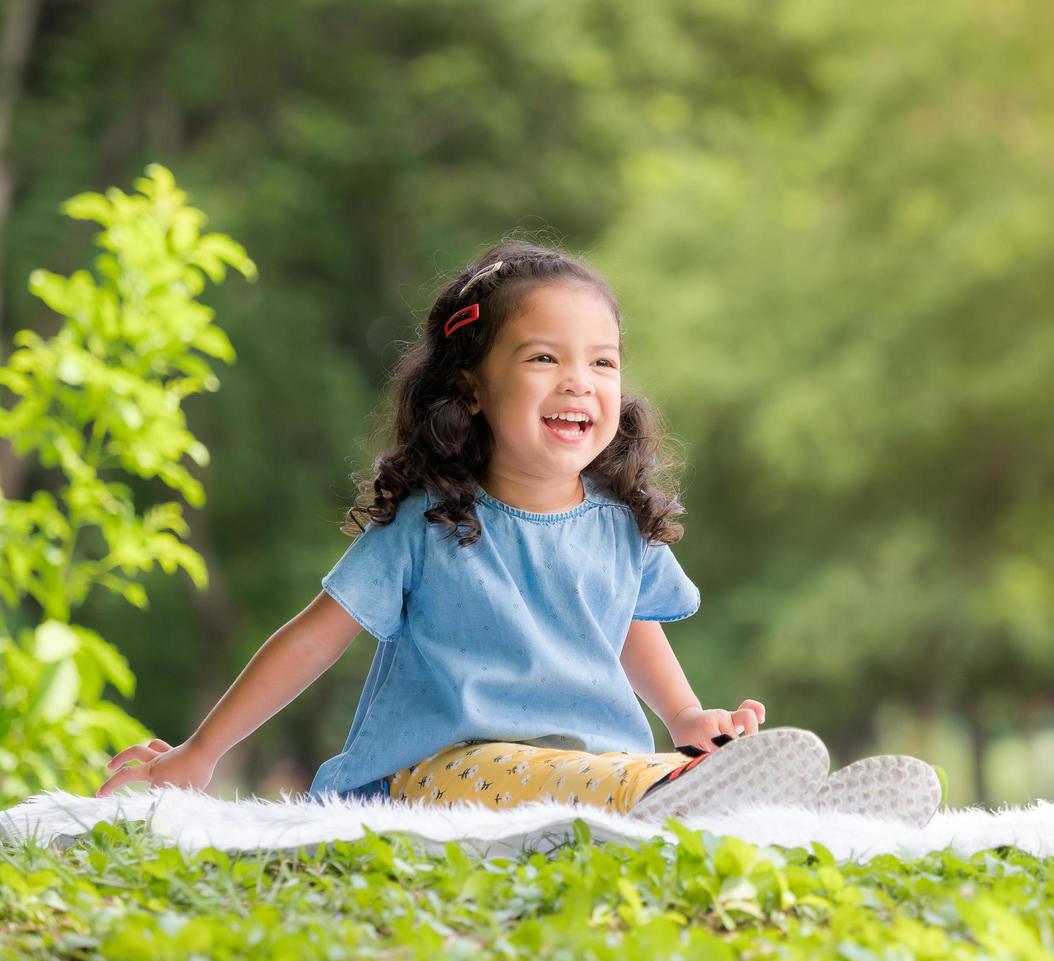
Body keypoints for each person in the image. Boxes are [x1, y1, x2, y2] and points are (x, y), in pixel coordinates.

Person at [95, 240, 854, 821]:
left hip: (600, 767)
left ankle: (750, 802)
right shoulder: (425, 528)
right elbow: (310, 640)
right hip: (436, 772)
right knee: (578, 779)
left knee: (604, 776)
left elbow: (623, 624)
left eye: (603, 362)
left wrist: (688, 718)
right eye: (544, 358)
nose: (579, 382)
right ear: (472, 387)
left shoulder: (618, 527)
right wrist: (202, 753)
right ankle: (701, 796)